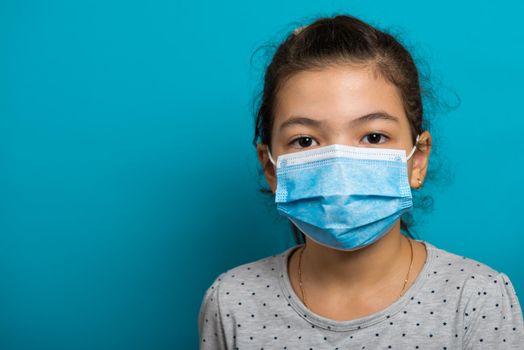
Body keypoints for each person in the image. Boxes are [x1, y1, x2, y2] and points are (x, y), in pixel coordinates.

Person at [198, 14, 524, 349]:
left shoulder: (477, 298)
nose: (339, 167)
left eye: (373, 137)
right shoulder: (231, 302)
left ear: (418, 159)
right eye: (305, 141)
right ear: (271, 167)